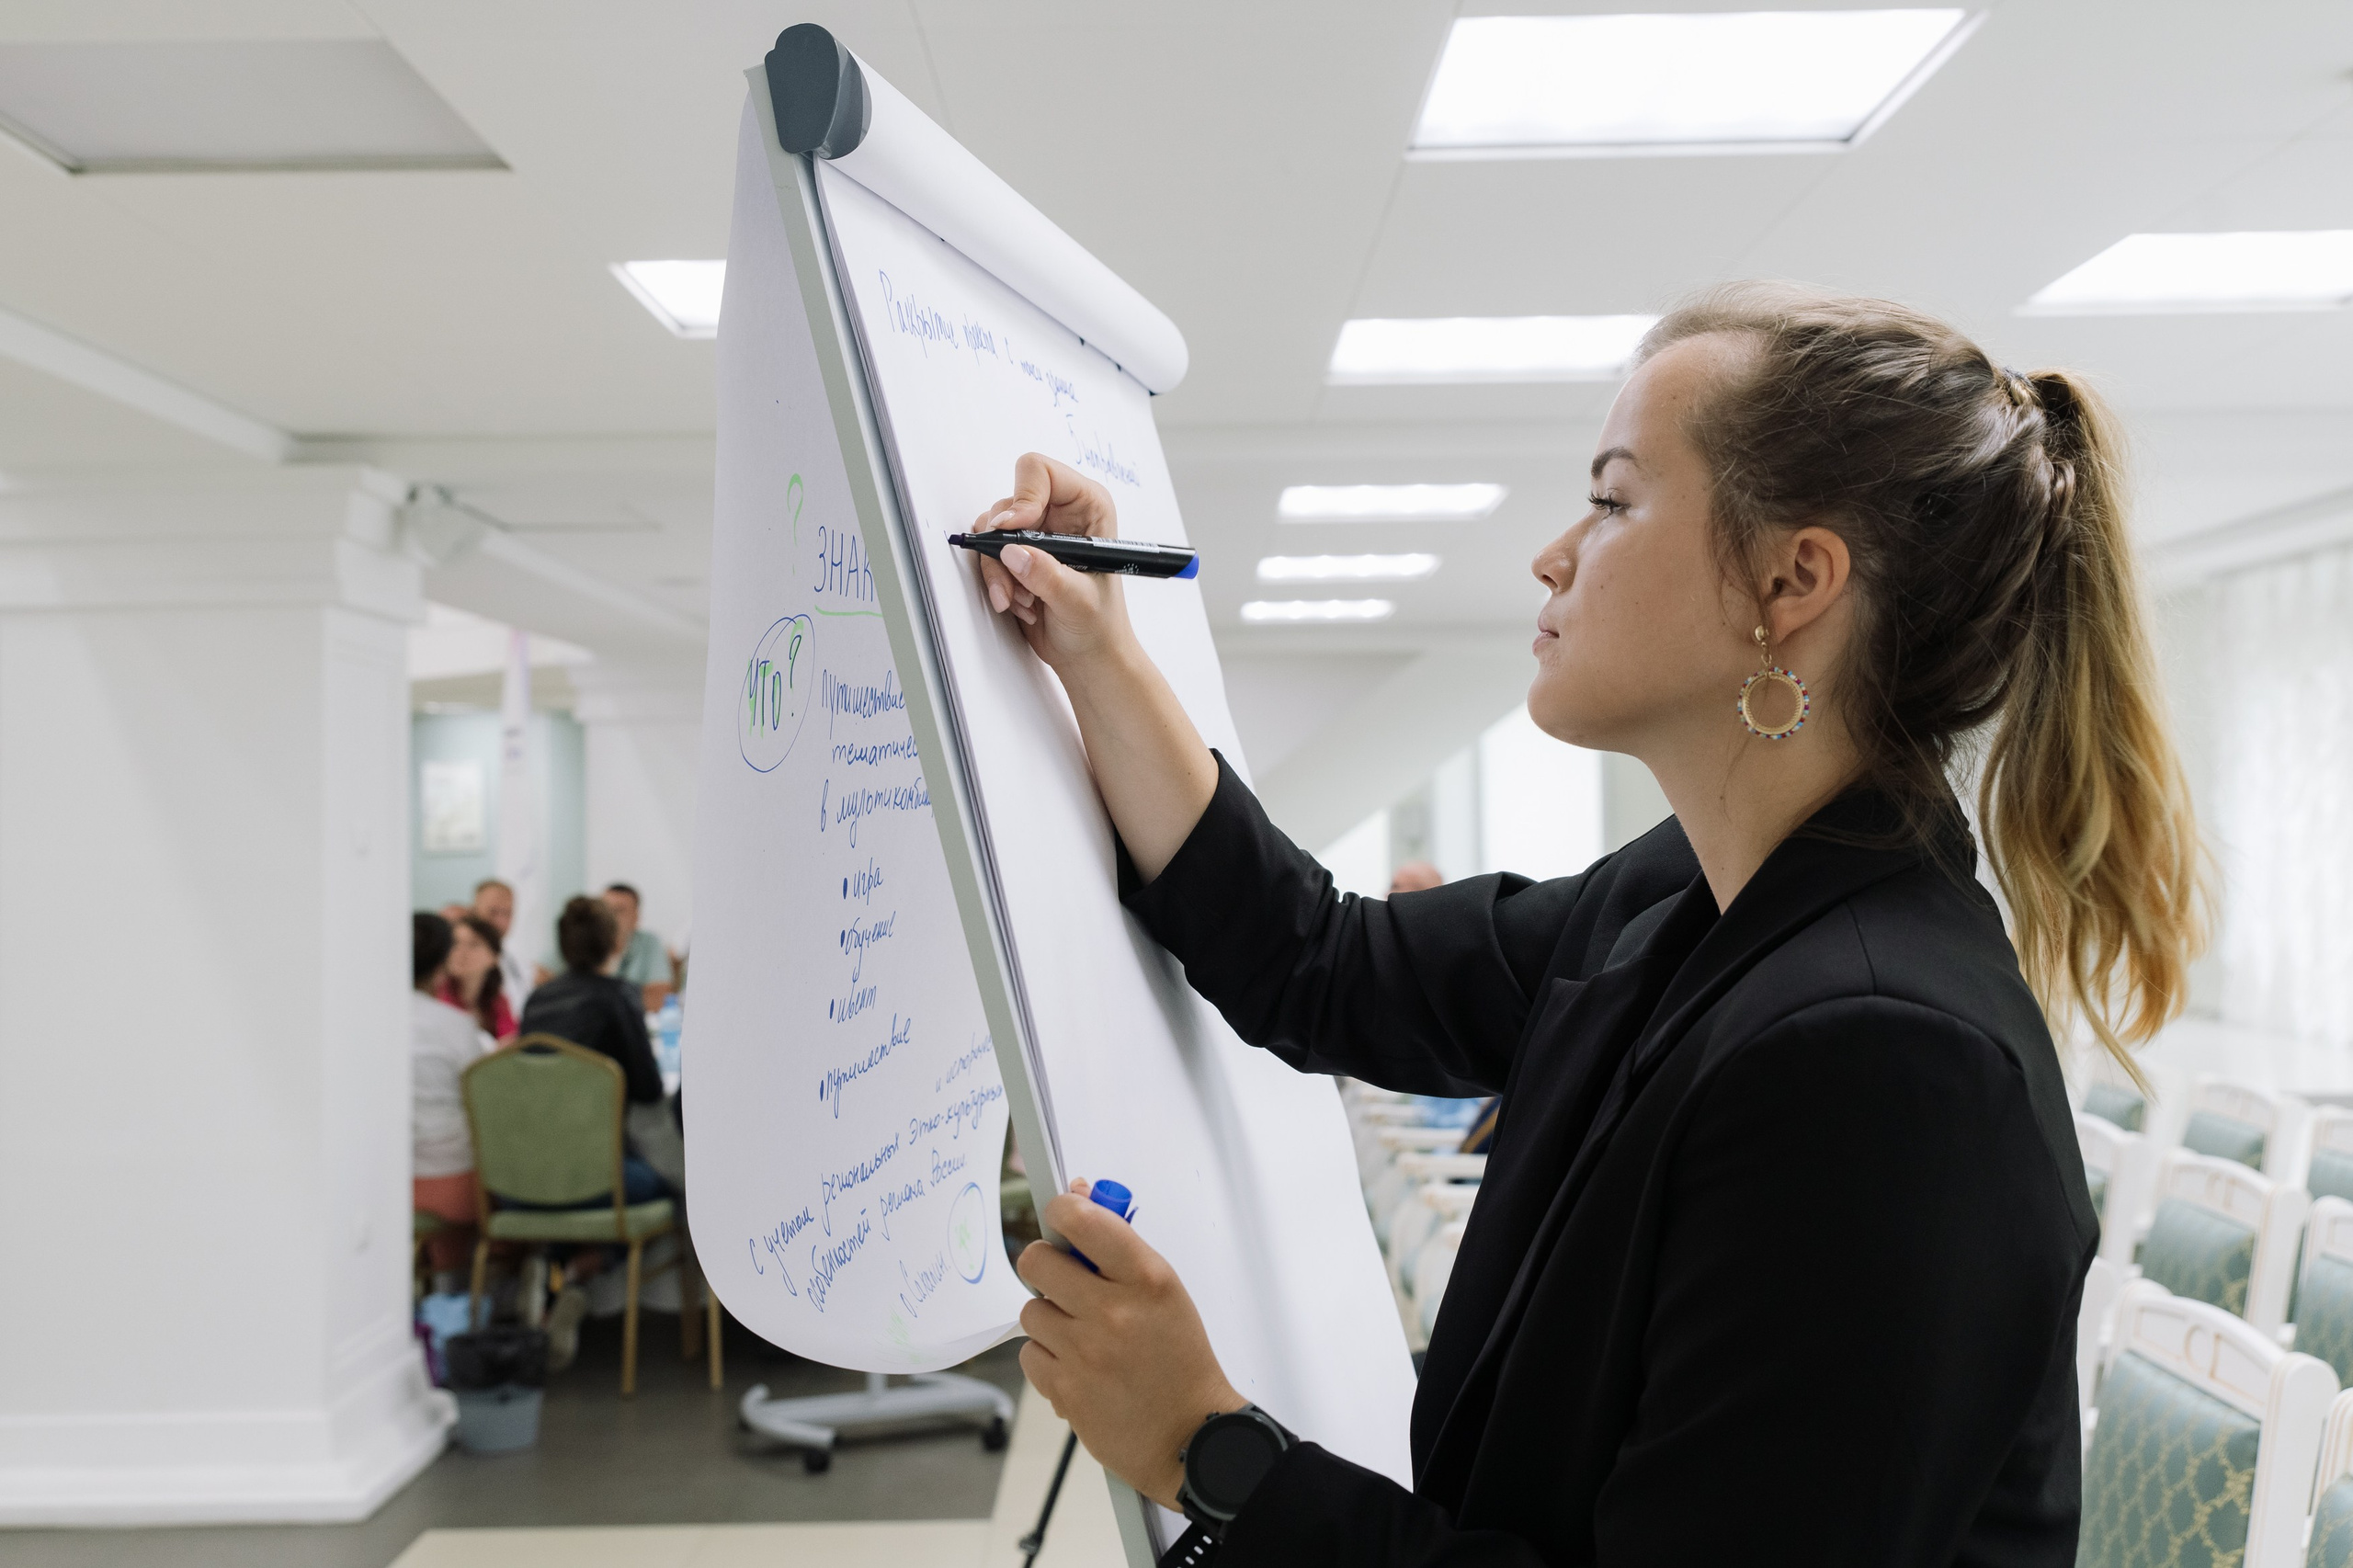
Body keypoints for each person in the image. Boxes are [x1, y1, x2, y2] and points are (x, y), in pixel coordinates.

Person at [970, 284, 2205, 1564]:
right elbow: (1315, 961)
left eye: (1613, 500)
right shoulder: (1682, 895)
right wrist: (1098, 650)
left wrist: (1204, 1441)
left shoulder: (1887, 1061)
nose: (1554, 552)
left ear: (1792, 580)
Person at [517, 894, 678, 1198]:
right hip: (601, 1174)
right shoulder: (620, 998)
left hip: (527, 1175)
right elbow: (649, 1089)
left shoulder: (536, 1001)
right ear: (618, 943)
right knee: (673, 1176)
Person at [411, 912, 491, 1288]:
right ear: (443, 963)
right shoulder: (454, 1025)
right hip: (450, 1184)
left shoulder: (367, 1021)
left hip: (384, 1179)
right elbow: (483, 1105)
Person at [439, 914, 517, 1041]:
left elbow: (511, 1046)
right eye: (455, 943)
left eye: (473, 944)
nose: (461, 952)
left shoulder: (498, 1002)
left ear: (495, 957)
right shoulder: (437, 999)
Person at [602, 882, 673, 1008]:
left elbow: (659, 997)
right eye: (604, 909)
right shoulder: (582, 940)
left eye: (619, 911)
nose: (609, 917)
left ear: (636, 917)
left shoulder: (649, 943)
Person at [471, 878, 534, 1012]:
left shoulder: (512, 956)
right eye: (493, 912)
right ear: (474, 911)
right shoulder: (462, 957)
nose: (500, 921)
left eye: (507, 913)